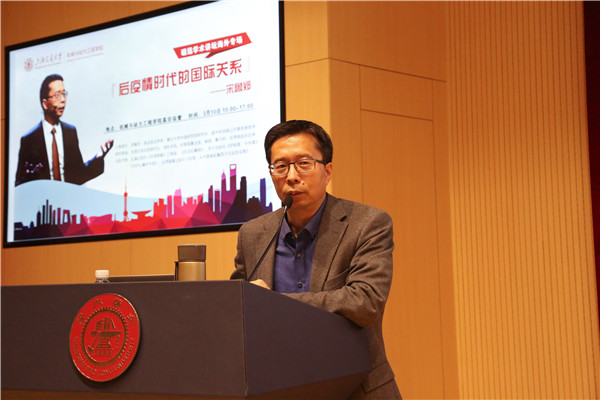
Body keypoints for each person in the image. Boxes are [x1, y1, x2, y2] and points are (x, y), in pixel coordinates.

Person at [231, 120, 402, 399]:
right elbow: (238, 310)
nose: (292, 176)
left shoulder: (367, 224)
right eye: (280, 166)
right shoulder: (253, 235)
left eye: (304, 164)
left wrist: (274, 303)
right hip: (278, 386)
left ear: (328, 171)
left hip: (354, 389)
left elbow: (365, 302)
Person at [15, 74, 113, 186]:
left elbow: (79, 174)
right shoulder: (29, 139)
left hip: (67, 195)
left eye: (64, 94)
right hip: (44, 197)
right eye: (57, 95)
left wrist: (99, 157)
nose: (63, 100)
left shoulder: (70, 132)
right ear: (45, 104)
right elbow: (19, 182)